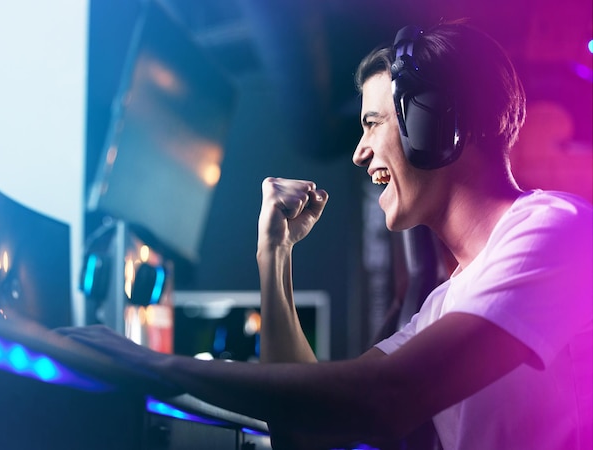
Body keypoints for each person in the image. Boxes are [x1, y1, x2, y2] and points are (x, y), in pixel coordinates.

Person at [59, 21, 593, 449]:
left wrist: (154, 365)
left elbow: (385, 399)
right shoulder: (446, 305)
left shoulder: (554, 230)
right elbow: (304, 428)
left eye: (373, 123)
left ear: (438, 124)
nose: (360, 152)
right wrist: (275, 256)